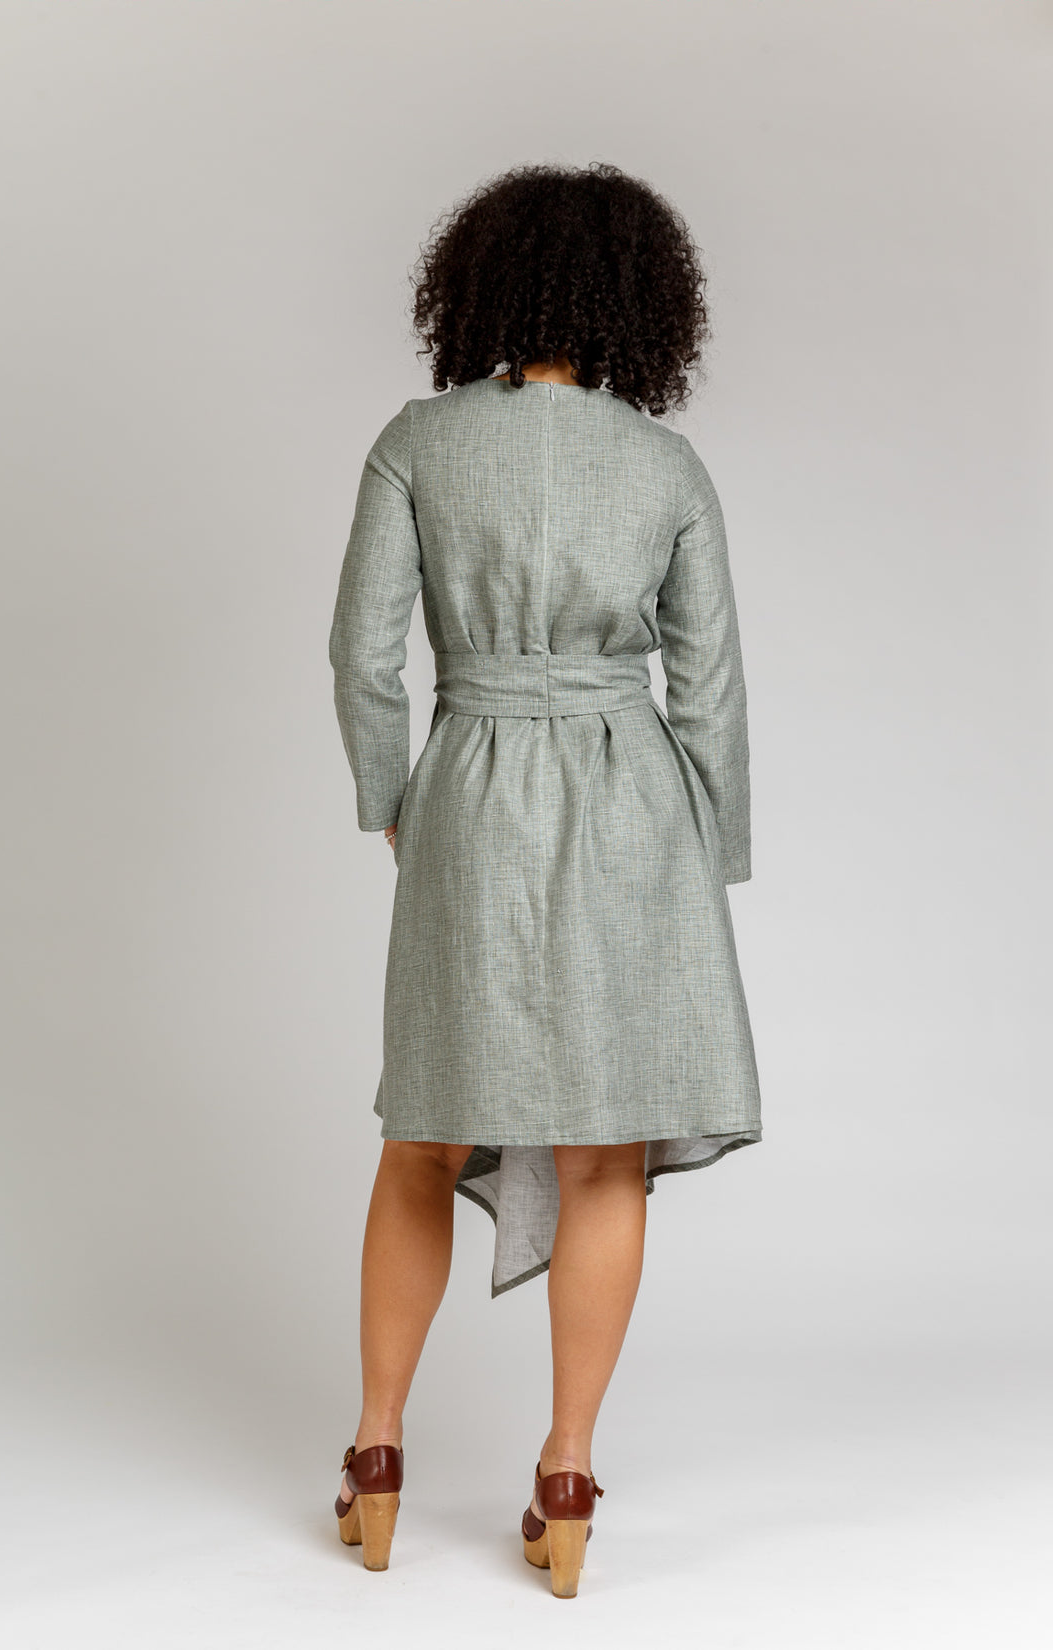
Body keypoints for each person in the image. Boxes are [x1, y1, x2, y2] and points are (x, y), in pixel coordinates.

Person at [327, 160, 762, 1597]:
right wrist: (710, 854)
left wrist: (395, 801)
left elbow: (362, 656)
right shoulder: (666, 467)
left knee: (421, 1130)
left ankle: (376, 1454)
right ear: (644, 305)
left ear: (479, 288)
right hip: (634, 805)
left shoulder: (417, 443)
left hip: (470, 785)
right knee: (605, 1154)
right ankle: (567, 1473)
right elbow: (708, 691)